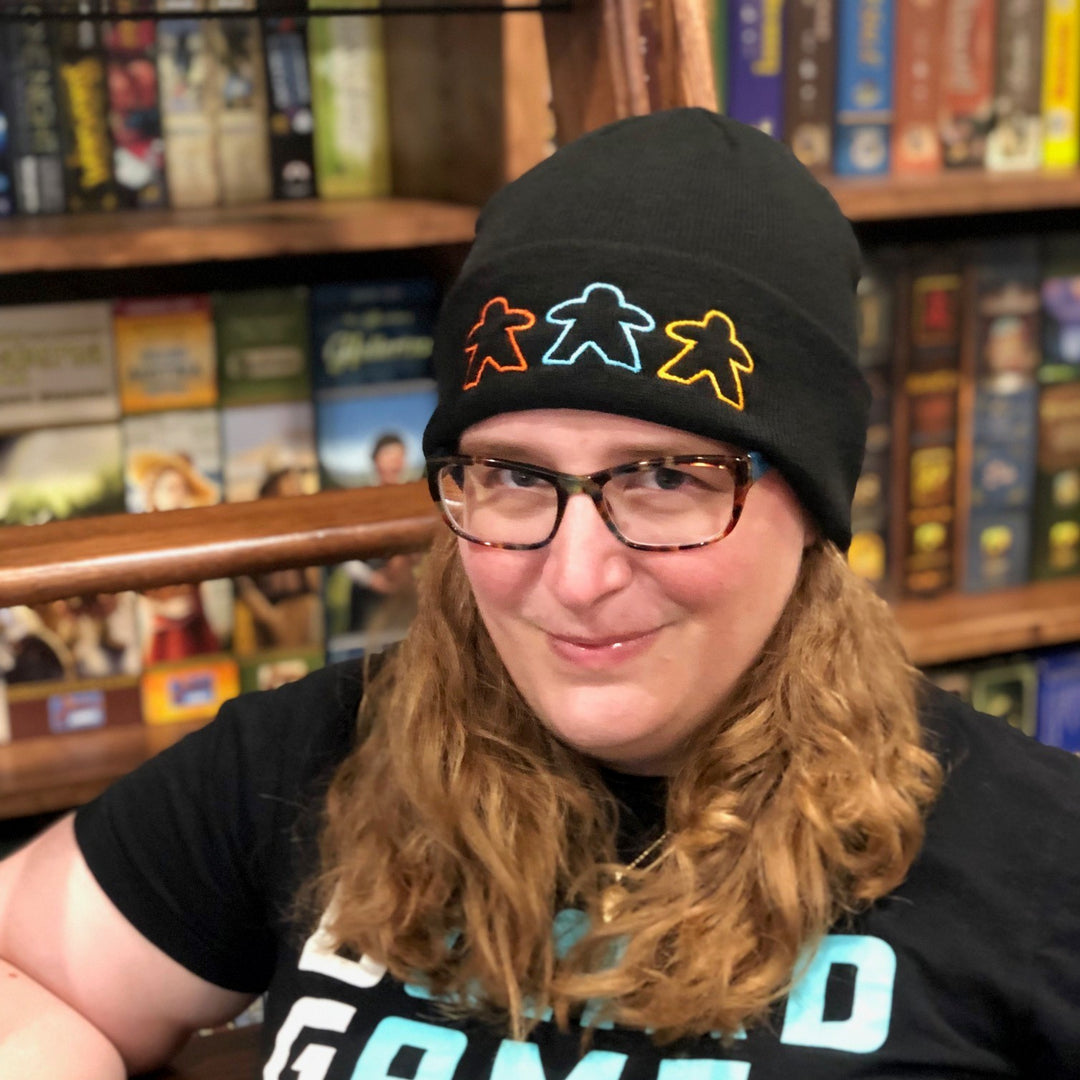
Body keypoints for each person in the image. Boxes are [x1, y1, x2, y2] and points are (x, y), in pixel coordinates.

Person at [1, 108, 1079, 1079]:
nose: (574, 575)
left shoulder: (1035, 864)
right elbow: (28, 967)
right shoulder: (311, 761)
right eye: (516, 475)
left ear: (812, 511)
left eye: (665, 478)